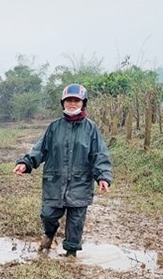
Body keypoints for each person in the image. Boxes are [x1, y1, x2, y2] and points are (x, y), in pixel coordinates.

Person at [13, 83, 113, 257]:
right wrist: (26, 163)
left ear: (83, 103)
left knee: (76, 222)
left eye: (76, 101)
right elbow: (39, 150)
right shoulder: (54, 127)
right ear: (63, 103)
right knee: (48, 215)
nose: (72, 104)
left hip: (80, 184)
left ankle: (71, 255)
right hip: (55, 182)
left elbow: (99, 155)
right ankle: (50, 234)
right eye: (68, 101)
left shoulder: (91, 129)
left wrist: (103, 177)